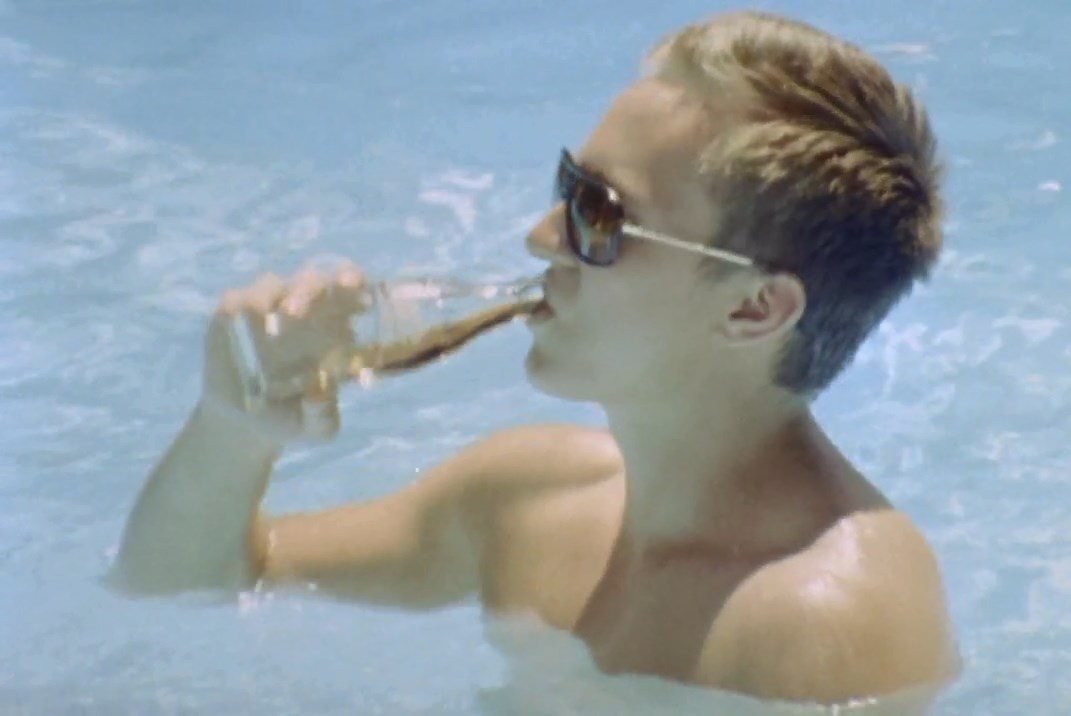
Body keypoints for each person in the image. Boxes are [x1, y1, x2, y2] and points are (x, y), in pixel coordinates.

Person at [112, 11, 956, 708]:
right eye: (566, 187)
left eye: (599, 214)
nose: (541, 236)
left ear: (752, 308)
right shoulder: (526, 499)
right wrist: (232, 429)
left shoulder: (829, 625)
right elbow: (192, 584)